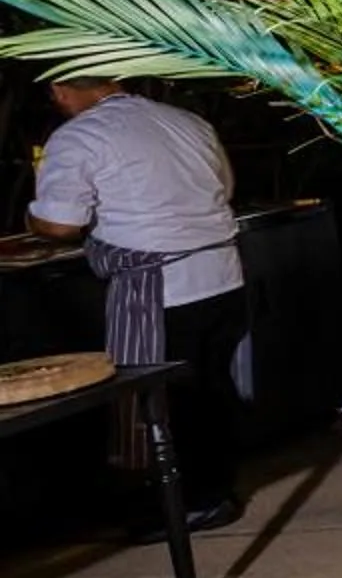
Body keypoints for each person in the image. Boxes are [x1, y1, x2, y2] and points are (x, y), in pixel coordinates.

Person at [24, 76, 247, 534]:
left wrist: (31, 217)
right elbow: (224, 187)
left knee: (168, 401)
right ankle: (214, 492)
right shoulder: (187, 120)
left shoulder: (77, 136)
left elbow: (60, 224)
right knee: (212, 386)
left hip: (163, 289)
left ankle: (183, 503)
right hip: (224, 276)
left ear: (62, 89)